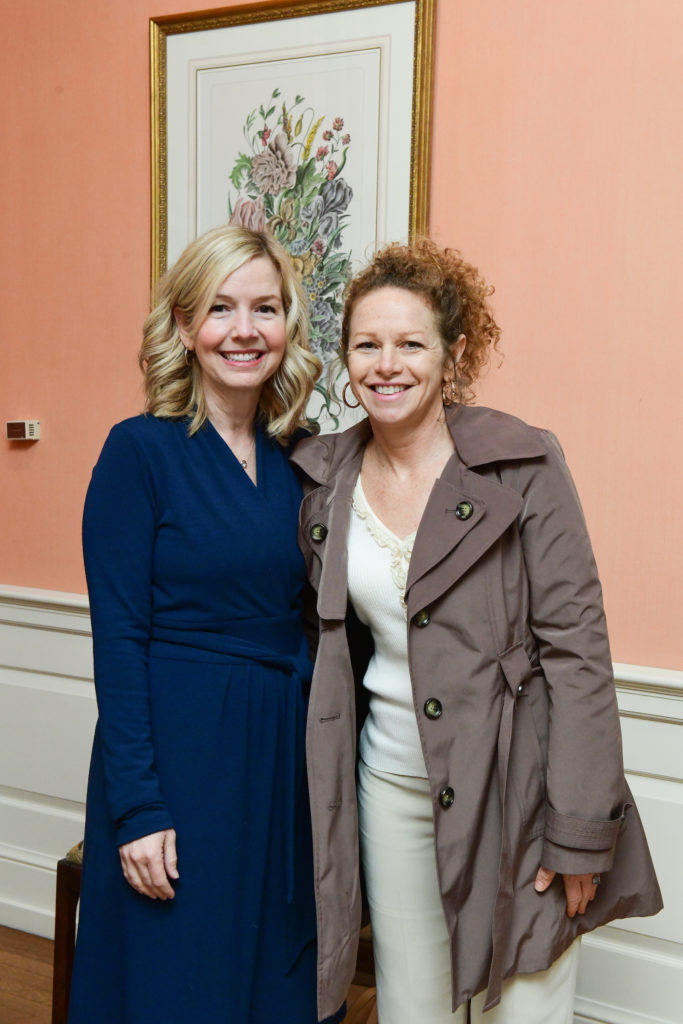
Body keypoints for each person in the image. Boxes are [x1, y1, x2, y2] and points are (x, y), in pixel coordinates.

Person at [290, 239, 662, 1023]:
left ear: (452, 353)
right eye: (366, 344)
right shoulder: (322, 480)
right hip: (388, 790)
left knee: (522, 1005)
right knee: (412, 1006)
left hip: (516, 794)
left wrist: (578, 833)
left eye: (410, 343)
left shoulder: (521, 463)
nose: (385, 365)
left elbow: (578, 654)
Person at [69, 225, 345, 1024]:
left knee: (268, 972)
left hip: (280, 753)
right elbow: (118, 640)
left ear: (288, 325)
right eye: (220, 308)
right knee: (176, 977)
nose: (244, 329)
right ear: (184, 328)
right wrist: (139, 808)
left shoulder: (303, 458)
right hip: (178, 757)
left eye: (264, 308)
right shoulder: (138, 452)